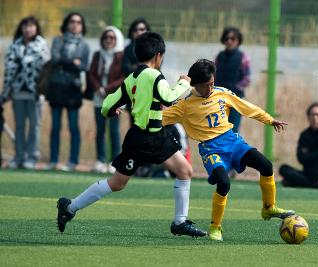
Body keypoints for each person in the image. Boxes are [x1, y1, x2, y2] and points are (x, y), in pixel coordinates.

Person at [56, 32, 206, 238]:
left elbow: (108, 104)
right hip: (142, 140)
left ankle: (180, 222)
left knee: (184, 170)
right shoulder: (154, 75)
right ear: (158, 55)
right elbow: (168, 97)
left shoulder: (131, 78)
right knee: (118, 183)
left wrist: (110, 111)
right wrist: (184, 82)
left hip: (156, 136)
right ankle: (70, 207)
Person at [163, 59, 294, 241]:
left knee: (266, 165)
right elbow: (160, 118)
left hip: (233, 142)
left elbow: (245, 107)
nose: (211, 88)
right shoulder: (184, 104)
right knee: (224, 183)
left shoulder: (222, 93)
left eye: (213, 83)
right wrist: (140, 120)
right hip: (211, 149)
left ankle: (268, 208)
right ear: (195, 85)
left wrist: (269, 119)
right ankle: (215, 227)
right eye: (207, 85)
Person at [0, 16, 49, 169]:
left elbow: (45, 68)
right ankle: (19, 156)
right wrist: (5, 92)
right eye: (25, 26)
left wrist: (24, 62)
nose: (28, 29)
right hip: (17, 92)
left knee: (35, 126)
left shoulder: (42, 45)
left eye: (31, 26)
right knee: (20, 126)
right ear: (21, 28)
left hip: (35, 93)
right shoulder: (15, 45)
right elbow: (9, 68)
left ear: (36, 28)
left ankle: (32, 157)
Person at [45, 12, 90, 171]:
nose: (75, 24)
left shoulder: (84, 45)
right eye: (72, 21)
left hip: (73, 89)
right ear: (66, 23)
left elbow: (84, 66)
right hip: (57, 88)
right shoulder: (58, 40)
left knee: (73, 126)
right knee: (55, 126)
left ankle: (72, 161)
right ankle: (53, 160)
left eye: (78, 22)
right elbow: (55, 58)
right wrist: (73, 62)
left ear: (82, 25)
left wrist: (68, 64)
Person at [87, 26, 125, 173]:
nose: (108, 40)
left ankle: (114, 161)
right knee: (100, 130)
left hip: (115, 99)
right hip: (99, 98)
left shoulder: (120, 56)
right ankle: (100, 160)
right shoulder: (97, 55)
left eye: (112, 38)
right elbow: (91, 73)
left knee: (114, 131)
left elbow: (123, 77)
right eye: (106, 37)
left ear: (117, 39)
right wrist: (98, 88)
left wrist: (107, 88)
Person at [279, 103, 318, 189]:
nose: (315, 118)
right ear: (308, 117)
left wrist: (310, 155)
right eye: (312, 115)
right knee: (283, 169)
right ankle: (315, 184)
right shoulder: (305, 135)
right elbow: (301, 158)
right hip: (310, 173)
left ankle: (300, 182)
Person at [214, 27, 251, 134]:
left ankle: (232, 150)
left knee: (233, 131)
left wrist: (235, 88)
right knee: (218, 130)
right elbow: (212, 75)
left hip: (236, 100)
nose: (229, 41)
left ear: (238, 40)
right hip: (219, 99)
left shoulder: (243, 57)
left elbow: (247, 79)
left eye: (232, 38)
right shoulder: (219, 57)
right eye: (226, 38)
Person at [122, 17, 151, 127]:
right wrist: (143, 67)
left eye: (142, 29)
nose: (139, 32)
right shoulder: (128, 49)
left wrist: (136, 66)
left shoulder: (154, 47)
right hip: (134, 93)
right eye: (136, 30)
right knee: (134, 127)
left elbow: (155, 68)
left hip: (150, 92)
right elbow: (126, 69)